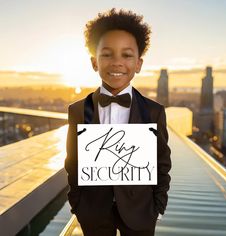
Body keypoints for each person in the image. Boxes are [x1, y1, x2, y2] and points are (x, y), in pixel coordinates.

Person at [64, 8, 171, 236]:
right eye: (107, 54)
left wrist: (157, 208)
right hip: (94, 212)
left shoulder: (154, 112)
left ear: (139, 64)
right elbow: (73, 163)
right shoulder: (78, 111)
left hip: (140, 213)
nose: (116, 62)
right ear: (94, 62)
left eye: (126, 55)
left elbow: (162, 164)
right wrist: (78, 204)